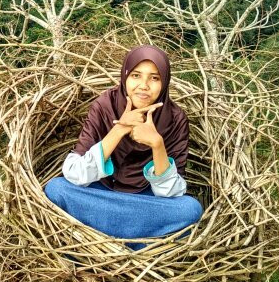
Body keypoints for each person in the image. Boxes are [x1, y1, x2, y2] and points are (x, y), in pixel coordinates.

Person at [44, 45, 203, 248]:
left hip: (143, 201)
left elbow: (170, 193)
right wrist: (119, 130)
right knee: (56, 189)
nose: (144, 85)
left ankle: (97, 236)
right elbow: (75, 173)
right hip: (99, 192)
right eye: (136, 75)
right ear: (125, 76)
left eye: (154, 78)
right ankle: (136, 242)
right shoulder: (105, 105)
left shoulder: (175, 118)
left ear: (164, 82)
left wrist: (157, 144)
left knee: (190, 209)